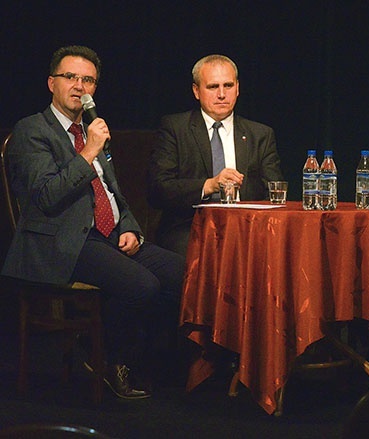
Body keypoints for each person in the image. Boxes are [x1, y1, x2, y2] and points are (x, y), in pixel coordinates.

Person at [1, 45, 185, 399]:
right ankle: (107, 357)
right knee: (142, 286)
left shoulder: (91, 130)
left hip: (108, 234)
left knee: (181, 273)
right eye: (70, 77)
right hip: (63, 241)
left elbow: (113, 191)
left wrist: (130, 225)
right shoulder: (32, 131)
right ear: (51, 83)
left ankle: (117, 350)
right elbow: (46, 196)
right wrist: (88, 152)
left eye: (88, 80)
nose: (79, 86)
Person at [148, 54, 284, 256]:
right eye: (213, 87)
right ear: (196, 91)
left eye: (228, 86)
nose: (222, 94)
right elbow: (158, 190)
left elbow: (274, 193)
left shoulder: (260, 134)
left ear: (238, 88)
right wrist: (209, 185)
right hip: (190, 226)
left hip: (247, 227)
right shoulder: (175, 128)